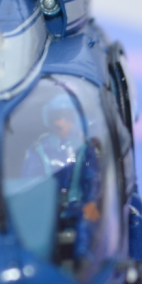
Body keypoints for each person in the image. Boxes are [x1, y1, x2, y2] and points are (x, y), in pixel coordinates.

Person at [22, 93, 102, 261]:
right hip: (44, 205)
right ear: (49, 118)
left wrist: (91, 201)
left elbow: (92, 179)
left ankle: (83, 262)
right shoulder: (38, 149)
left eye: (67, 117)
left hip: (76, 205)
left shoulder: (84, 149)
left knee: (86, 225)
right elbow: (29, 182)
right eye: (57, 117)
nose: (61, 123)